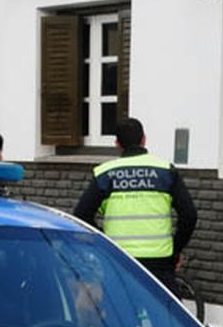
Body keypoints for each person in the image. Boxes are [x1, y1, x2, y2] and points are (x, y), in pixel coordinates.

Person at [73, 118, 197, 291]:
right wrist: (174, 250)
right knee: (162, 314)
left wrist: (105, 242)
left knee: (122, 314)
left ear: (117, 143)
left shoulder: (105, 173)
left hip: (119, 259)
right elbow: (189, 215)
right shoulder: (166, 171)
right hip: (159, 262)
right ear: (144, 139)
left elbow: (81, 215)